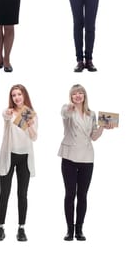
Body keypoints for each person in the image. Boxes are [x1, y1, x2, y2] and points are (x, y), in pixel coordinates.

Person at [59, 84, 113, 240]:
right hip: (69, 156)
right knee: (70, 194)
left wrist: (103, 127)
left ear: (84, 95)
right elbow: (65, 114)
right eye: (75, 93)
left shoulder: (91, 114)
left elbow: (93, 137)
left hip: (87, 158)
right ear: (71, 96)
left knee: (82, 195)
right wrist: (70, 108)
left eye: (80, 93)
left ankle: (79, 229)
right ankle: (69, 230)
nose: (78, 95)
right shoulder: (67, 109)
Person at [0, 84, 38, 242]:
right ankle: (0, 227)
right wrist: (6, 113)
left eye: (19, 94)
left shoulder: (31, 114)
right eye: (14, 95)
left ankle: (21, 228)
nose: (17, 97)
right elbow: (5, 116)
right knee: (4, 193)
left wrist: (30, 126)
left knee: (22, 194)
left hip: (24, 157)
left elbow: (34, 137)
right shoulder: (9, 112)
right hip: (9, 155)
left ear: (24, 95)